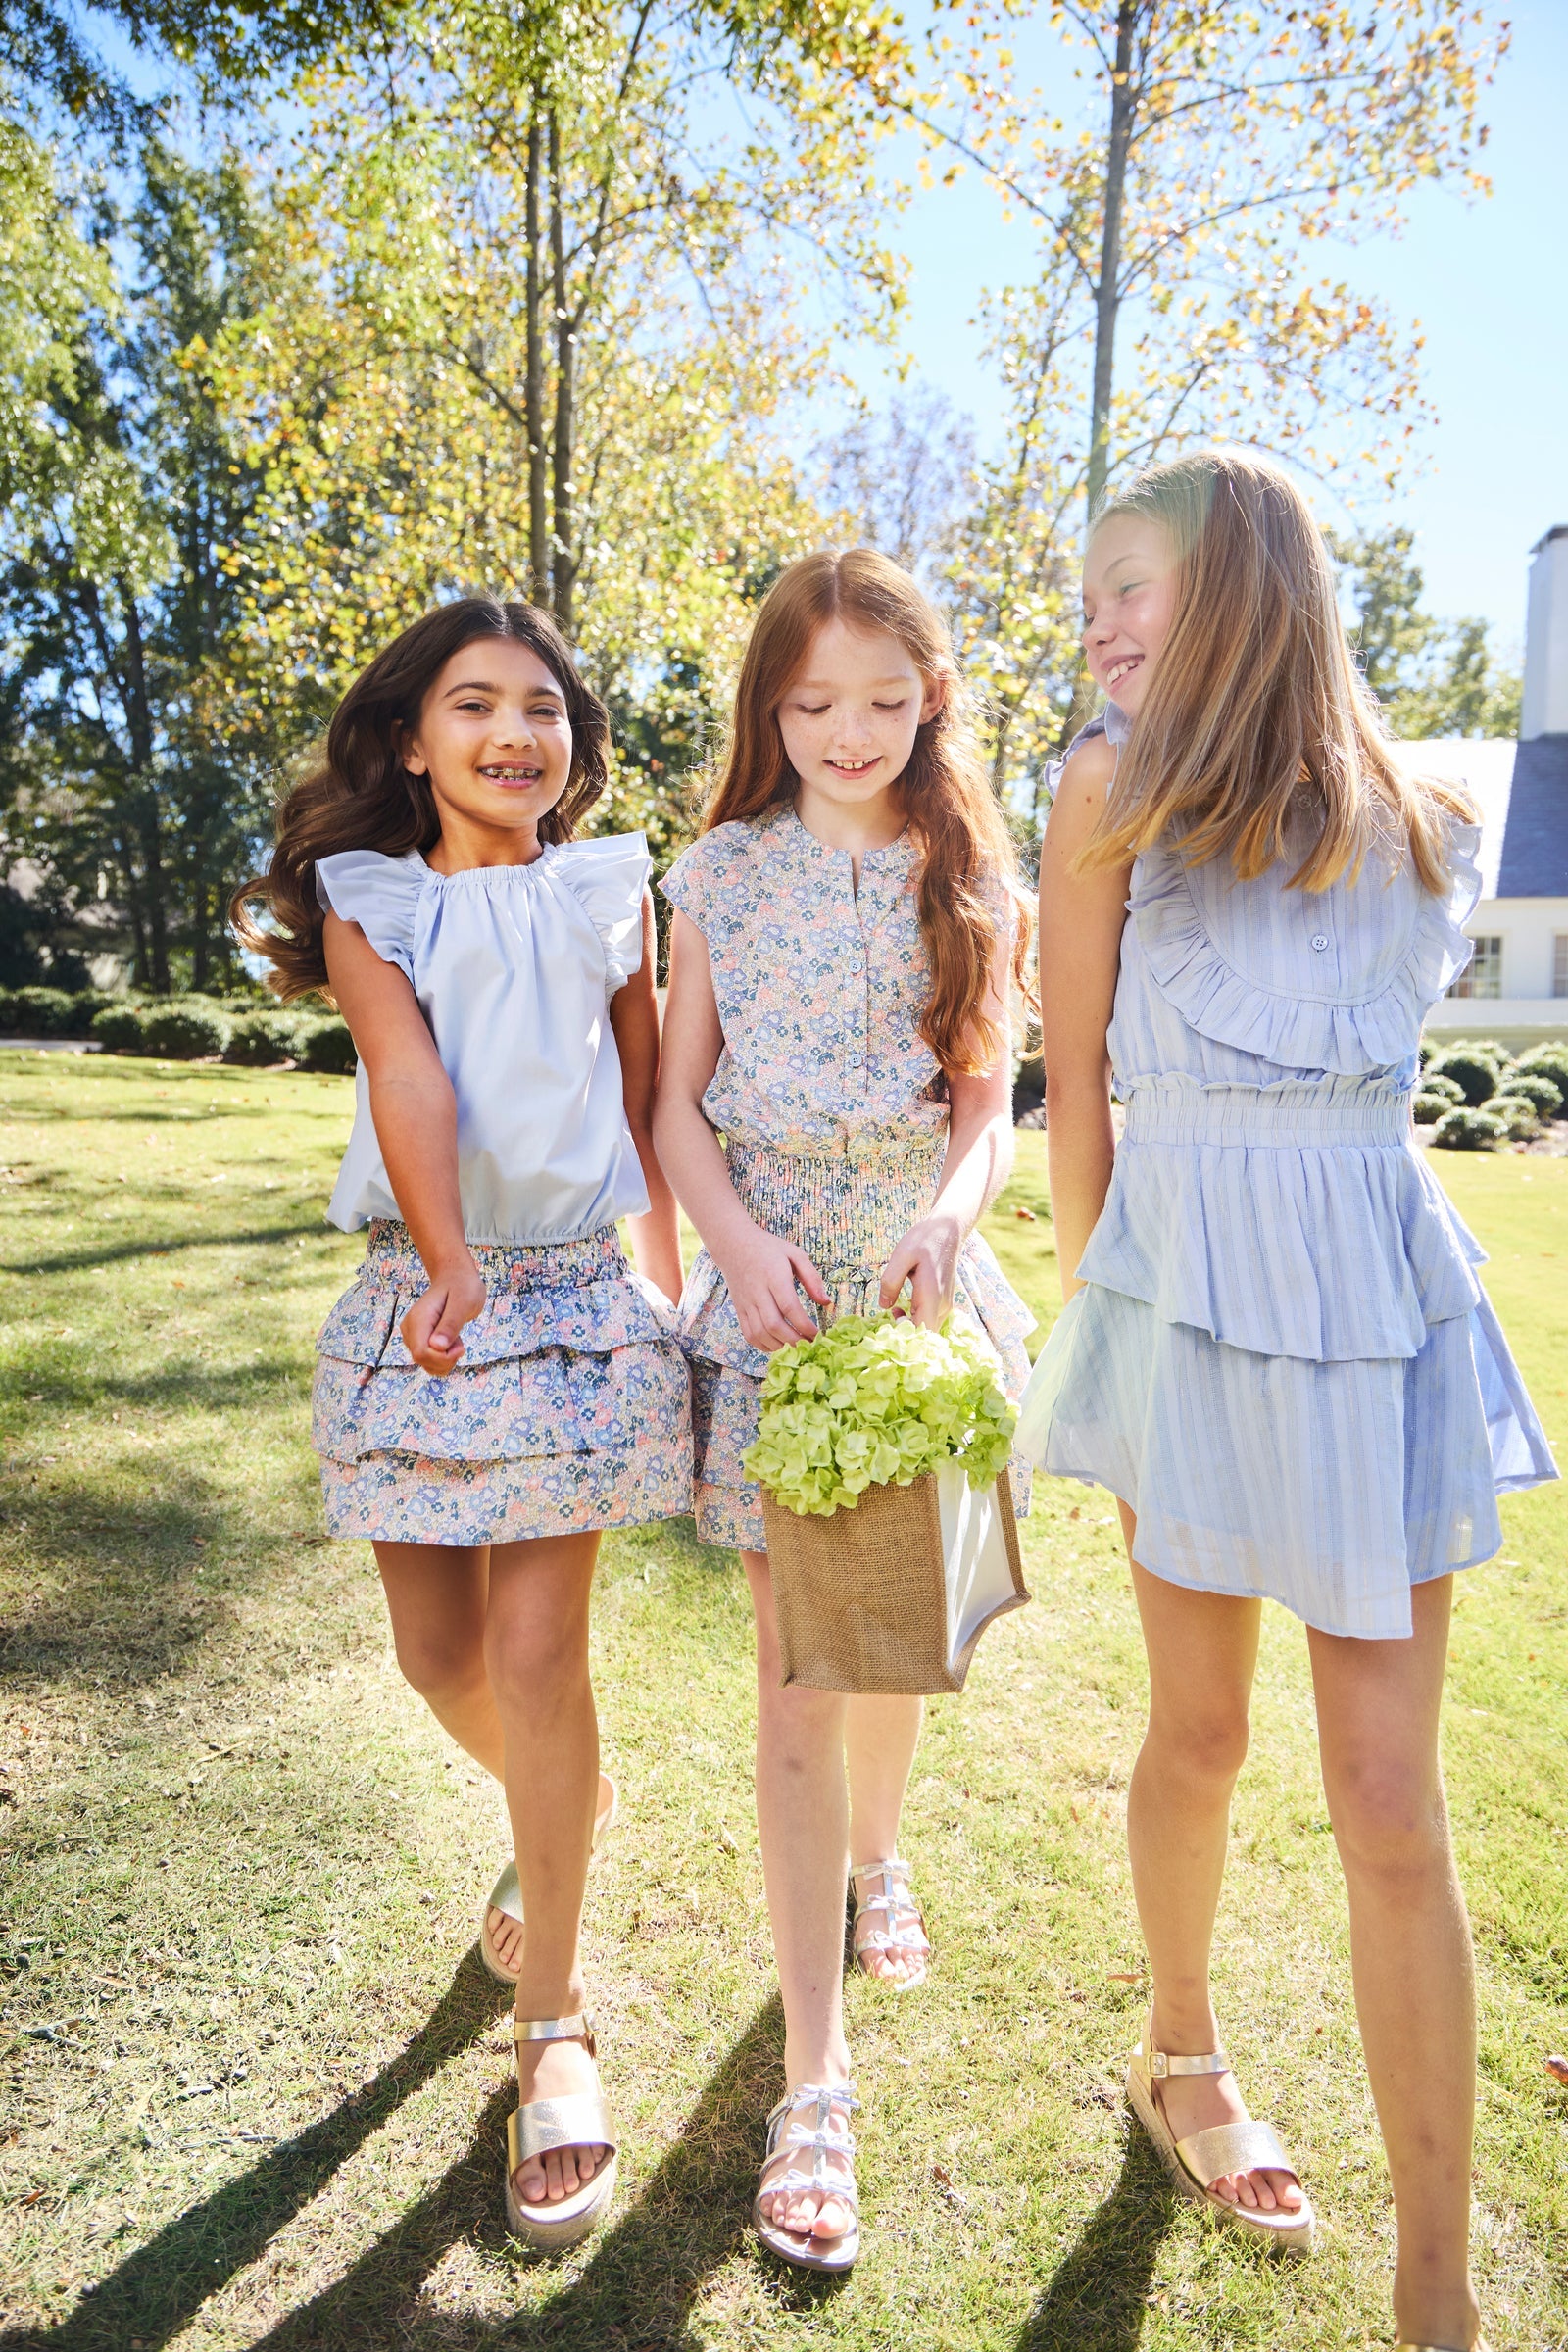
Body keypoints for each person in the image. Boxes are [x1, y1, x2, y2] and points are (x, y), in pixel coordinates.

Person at [1023, 450, 1553, 2352]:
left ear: (1241, 587)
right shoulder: (1101, 795)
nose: (1095, 619)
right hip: (1182, 1307)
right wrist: (1104, 1340)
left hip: (1368, 1307)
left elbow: (1375, 1101)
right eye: (1087, 590)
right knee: (1196, 1735)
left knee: (1386, 1800)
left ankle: (1437, 2283)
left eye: (1129, 582)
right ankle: (1177, 2052)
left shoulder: (1421, 818)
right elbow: (1069, 1088)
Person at [231, 596, 690, 2253]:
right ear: (411, 740)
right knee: (438, 1658)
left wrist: (668, 1275)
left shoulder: (603, 890)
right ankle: (562, 1815)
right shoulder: (375, 904)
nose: (518, 732)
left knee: (534, 1656)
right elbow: (407, 1078)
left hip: (565, 1304)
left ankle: (553, 2023)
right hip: (427, 1296)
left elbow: (649, 1092)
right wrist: (441, 1263)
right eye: (476, 703)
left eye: (546, 707)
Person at [653, 548, 1035, 2274]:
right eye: (813, 703)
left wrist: (955, 1213)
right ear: (770, 707)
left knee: (895, 1640)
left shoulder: (976, 878)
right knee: (798, 1672)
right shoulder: (718, 875)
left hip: (909, 1283)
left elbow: (988, 1107)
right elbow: (674, 1114)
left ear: (933, 694)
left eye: (886, 699)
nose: (850, 731)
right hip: (772, 1291)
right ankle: (817, 2084)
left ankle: (884, 1858)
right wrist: (731, 1250)